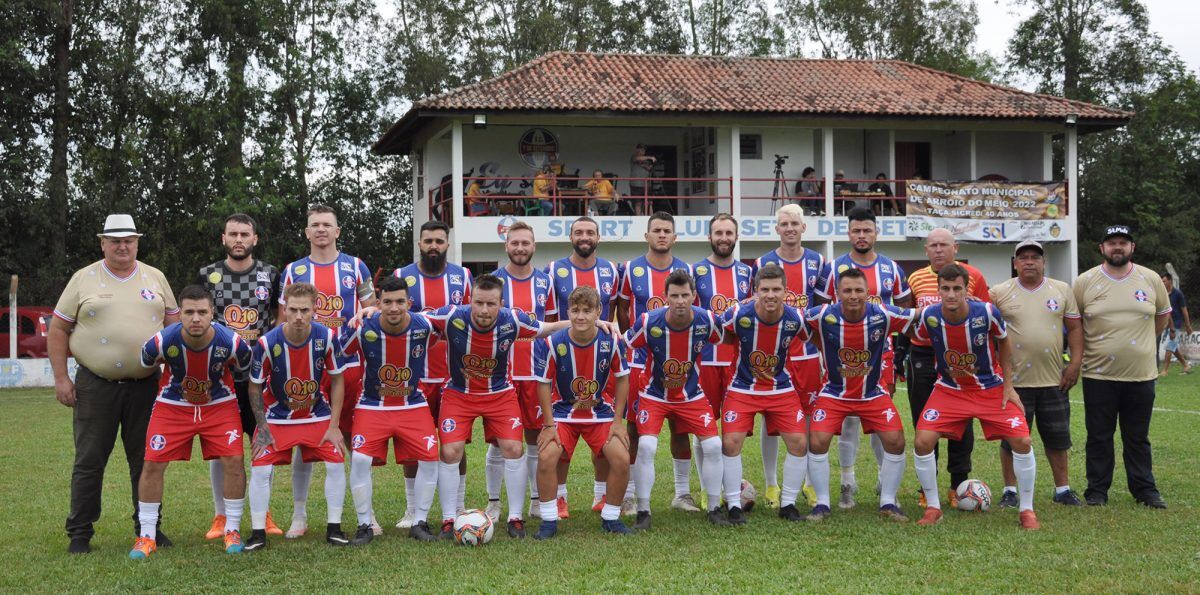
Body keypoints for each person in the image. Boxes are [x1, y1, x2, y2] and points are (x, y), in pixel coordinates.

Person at [428, 274, 610, 539]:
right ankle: (447, 519)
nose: (484, 310)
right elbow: (415, 319)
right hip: (460, 393)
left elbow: (546, 328)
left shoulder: (511, 320)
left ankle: (515, 518)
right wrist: (374, 309)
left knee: (513, 448)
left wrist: (596, 322)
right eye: (478, 303)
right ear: (470, 300)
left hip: (499, 394)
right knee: (450, 450)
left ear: (501, 303)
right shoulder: (452, 316)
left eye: (491, 304)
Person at [50, 213, 180, 554]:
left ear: (137, 242)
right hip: (96, 384)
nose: (123, 246)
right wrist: (62, 378)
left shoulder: (155, 277)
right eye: (115, 241)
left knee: (147, 460)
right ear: (103, 243)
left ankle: (148, 528)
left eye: (129, 240)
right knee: (90, 460)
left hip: (146, 385)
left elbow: (174, 327)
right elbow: (59, 330)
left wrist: (174, 372)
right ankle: (80, 532)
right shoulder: (84, 279)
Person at [910, 264, 1040, 530]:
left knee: (1022, 440)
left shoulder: (987, 312)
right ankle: (934, 507)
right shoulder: (930, 317)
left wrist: (1008, 385)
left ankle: (1027, 510)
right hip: (950, 389)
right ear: (938, 290)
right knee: (923, 441)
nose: (951, 294)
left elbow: (1004, 341)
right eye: (945, 289)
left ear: (966, 290)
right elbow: (920, 341)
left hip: (990, 388)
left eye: (957, 288)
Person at [129, 285, 253, 559]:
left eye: (201, 312)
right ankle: (146, 536)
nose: (195, 318)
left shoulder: (230, 341)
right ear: (179, 314)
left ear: (212, 313)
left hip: (219, 405)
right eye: (189, 312)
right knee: (152, 463)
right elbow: (146, 358)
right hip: (174, 405)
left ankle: (232, 529)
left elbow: (245, 365)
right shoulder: (164, 340)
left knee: (233, 461)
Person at [278, 204, 374, 537]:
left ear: (337, 232)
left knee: (353, 440)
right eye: (314, 225)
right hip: (308, 372)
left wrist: (366, 313)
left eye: (327, 225)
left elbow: (372, 304)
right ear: (307, 233)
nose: (321, 229)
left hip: (349, 364)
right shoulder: (293, 271)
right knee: (304, 442)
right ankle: (300, 515)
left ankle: (366, 514)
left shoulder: (356, 267)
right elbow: (282, 321)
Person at [245, 282, 352, 551]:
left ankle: (334, 528)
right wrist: (262, 427)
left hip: (317, 414)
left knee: (336, 458)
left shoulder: (326, 337)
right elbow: (254, 385)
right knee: (260, 466)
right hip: (277, 416)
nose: (299, 316)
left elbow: (338, 380)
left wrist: (335, 425)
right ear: (284, 308)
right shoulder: (267, 342)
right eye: (293, 309)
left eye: (305, 309)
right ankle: (258, 533)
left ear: (315, 309)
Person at [803, 268, 915, 523]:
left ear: (868, 293)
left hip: (871, 393)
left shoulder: (883, 314)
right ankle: (822, 504)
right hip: (834, 392)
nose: (853, 296)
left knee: (896, 441)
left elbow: (920, 315)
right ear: (837, 293)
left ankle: (888, 501)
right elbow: (793, 319)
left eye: (858, 290)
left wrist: (964, 302)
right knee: (817, 441)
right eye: (847, 291)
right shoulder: (822, 315)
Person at [197, 213, 283, 538]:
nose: (238, 240)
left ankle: (264, 513)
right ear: (223, 238)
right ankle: (221, 516)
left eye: (244, 234)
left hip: (259, 376)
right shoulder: (208, 275)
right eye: (232, 233)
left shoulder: (270, 274)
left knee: (262, 441)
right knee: (222, 447)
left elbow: (279, 317)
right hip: (221, 377)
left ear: (255, 239)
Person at [1074, 225, 1172, 508]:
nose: (1118, 247)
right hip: (1098, 374)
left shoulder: (1150, 278)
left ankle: (1145, 491)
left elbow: (1162, 317)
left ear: (1132, 248)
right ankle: (1096, 491)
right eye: (1112, 243)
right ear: (1102, 248)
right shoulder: (1085, 281)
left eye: (1123, 243)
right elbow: (1075, 323)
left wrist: (1140, 344)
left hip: (1141, 375)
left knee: (1137, 437)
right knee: (1099, 437)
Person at [821, 207, 912, 509]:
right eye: (856, 231)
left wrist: (899, 352)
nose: (862, 236)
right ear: (848, 233)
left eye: (867, 230)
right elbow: (820, 314)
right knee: (846, 420)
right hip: (842, 357)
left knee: (877, 421)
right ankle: (848, 481)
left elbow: (904, 310)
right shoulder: (833, 269)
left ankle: (885, 480)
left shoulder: (891, 269)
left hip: (880, 356)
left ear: (876, 233)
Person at [340, 276, 440, 545]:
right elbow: (339, 353)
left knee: (431, 458)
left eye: (399, 302)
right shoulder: (363, 327)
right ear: (377, 303)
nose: (394, 308)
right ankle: (364, 525)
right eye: (387, 302)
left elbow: (450, 324)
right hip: (372, 404)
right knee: (360, 460)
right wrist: (359, 315)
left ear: (409, 302)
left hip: (412, 404)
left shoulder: (425, 326)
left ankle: (420, 521)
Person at [627, 269, 727, 529]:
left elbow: (721, 336)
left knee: (714, 446)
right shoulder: (649, 321)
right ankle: (644, 511)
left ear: (694, 296)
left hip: (691, 395)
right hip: (654, 394)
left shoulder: (707, 320)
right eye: (675, 295)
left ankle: (715, 508)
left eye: (685, 295)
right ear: (665, 297)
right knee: (647, 447)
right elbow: (627, 343)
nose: (680, 300)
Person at [532, 286, 634, 538]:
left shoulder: (611, 341)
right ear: (568, 311)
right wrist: (548, 425)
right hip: (563, 412)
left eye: (587, 311)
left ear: (598, 312)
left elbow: (622, 379)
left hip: (599, 412)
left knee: (621, 458)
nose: (580, 317)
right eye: (575, 310)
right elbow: (543, 384)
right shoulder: (552, 343)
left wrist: (619, 422)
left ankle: (610, 517)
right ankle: (548, 520)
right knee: (546, 457)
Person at [990, 240, 1084, 507]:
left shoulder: (1062, 289)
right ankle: (1010, 490)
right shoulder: (999, 292)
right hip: (1014, 383)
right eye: (1023, 258)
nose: (1029, 261)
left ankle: (1063, 489)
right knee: (1012, 440)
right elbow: (986, 330)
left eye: (1035, 257)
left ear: (1044, 262)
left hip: (1054, 380)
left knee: (1057, 437)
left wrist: (1075, 364)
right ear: (1015, 263)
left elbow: (1075, 329)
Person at [392, 220, 473, 527]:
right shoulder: (402, 277)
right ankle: (412, 509)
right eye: (428, 241)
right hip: (415, 376)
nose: (433, 246)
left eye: (439, 241)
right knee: (413, 442)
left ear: (447, 244)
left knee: (455, 443)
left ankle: (459, 506)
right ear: (420, 244)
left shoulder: (463, 276)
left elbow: (471, 320)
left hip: (454, 375)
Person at [716, 264, 810, 525]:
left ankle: (788, 504)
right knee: (731, 442)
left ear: (786, 291)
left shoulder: (795, 319)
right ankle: (734, 505)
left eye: (776, 289)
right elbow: (719, 334)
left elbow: (811, 335)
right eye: (765, 289)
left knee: (799, 443)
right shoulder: (738, 314)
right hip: (742, 387)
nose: (771, 295)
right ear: (755, 291)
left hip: (780, 388)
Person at [617, 212, 697, 516]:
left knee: (680, 427)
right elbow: (624, 311)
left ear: (674, 238)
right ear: (647, 236)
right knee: (635, 429)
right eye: (656, 230)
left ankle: (682, 493)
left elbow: (693, 313)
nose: (661, 235)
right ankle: (630, 495)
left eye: (667, 231)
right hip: (640, 364)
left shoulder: (686, 270)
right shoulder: (631, 269)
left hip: (678, 364)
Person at [903, 227, 990, 507]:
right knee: (924, 420)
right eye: (933, 246)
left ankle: (958, 484)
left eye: (944, 245)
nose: (938, 250)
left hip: (960, 358)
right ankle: (926, 488)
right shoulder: (915, 278)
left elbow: (987, 315)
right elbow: (908, 319)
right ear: (925, 250)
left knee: (961, 421)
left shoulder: (974, 275)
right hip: (924, 356)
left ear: (956, 248)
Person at [755, 204, 832, 508]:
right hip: (774, 356)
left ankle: (810, 484)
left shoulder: (819, 262)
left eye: (794, 223)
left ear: (804, 228)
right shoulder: (762, 262)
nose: (789, 228)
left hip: (808, 355)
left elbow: (822, 312)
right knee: (770, 419)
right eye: (784, 223)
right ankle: (772, 485)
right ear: (777, 228)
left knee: (811, 419)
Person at [545, 216, 621, 513]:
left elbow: (611, 314)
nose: (585, 237)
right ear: (571, 236)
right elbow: (551, 317)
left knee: (600, 427)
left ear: (598, 237)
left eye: (590, 232)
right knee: (563, 436)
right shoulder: (554, 269)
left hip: (600, 360)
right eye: (579, 232)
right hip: (565, 357)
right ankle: (560, 496)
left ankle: (600, 495)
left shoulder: (612, 270)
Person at [485, 222, 557, 523]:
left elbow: (551, 326)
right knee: (497, 441)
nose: (520, 248)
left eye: (525, 243)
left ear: (534, 246)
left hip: (534, 372)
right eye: (515, 243)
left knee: (532, 438)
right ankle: (494, 502)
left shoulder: (545, 282)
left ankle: (537, 500)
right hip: (500, 374)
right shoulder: (493, 282)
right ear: (506, 245)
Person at [694, 214, 754, 422]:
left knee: (735, 424)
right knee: (704, 420)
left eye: (729, 233)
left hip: (737, 361)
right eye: (718, 233)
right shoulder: (695, 271)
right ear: (709, 237)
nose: (724, 238)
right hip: (705, 359)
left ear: (736, 236)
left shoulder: (747, 272)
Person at [1159, 272, 1193, 375]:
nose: (1162, 283)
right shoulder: (1162, 293)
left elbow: (1184, 310)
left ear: (1170, 281)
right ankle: (1186, 364)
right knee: (1173, 347)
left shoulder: (1178, 293)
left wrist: (1188, 325)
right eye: (1161, 281)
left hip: (1176, 324)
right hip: (1165, 323)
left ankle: (1165, 370)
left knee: (1170, 346)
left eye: (1164, 281)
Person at [629, 144, 657, 215]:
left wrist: (652, 163)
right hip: (636, 184)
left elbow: (649, 168)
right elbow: (638, 159)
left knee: (649, 203)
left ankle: (650, 217)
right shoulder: (634, 157)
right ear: (637, 149)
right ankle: (638, 219)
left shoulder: (646, 161)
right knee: (638, 203)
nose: (642, 151)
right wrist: (650, 157)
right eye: (640, 149)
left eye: (643, 149)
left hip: (647, 184)